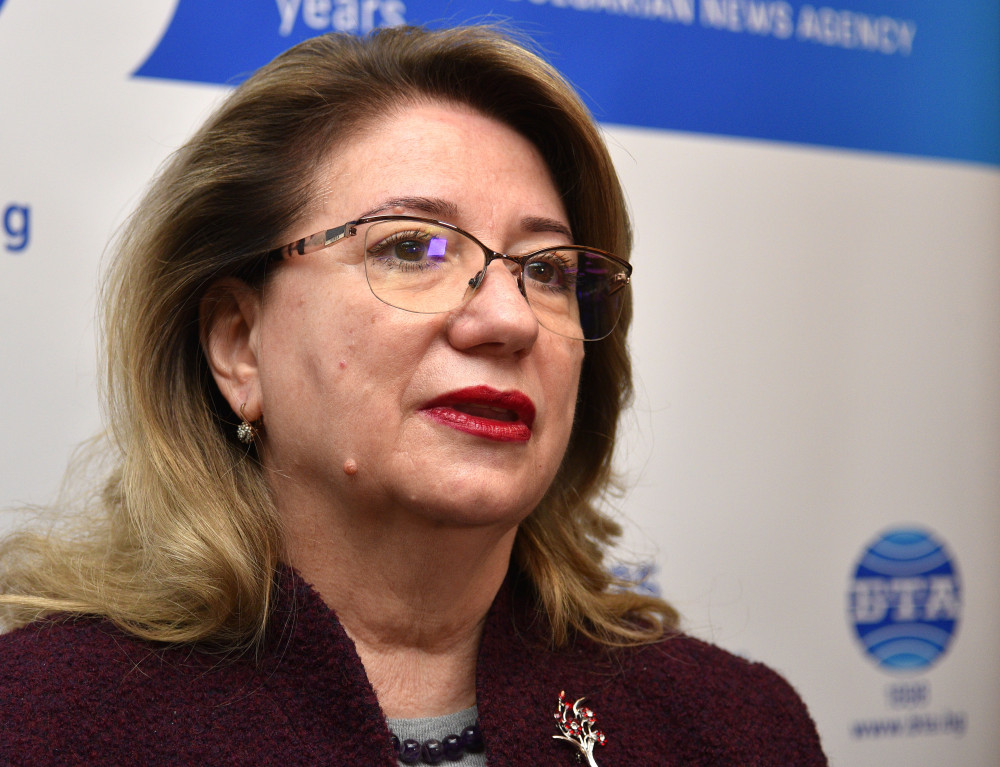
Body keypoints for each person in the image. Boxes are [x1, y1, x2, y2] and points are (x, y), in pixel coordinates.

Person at [0, 25, 827, 766]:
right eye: (413, 248)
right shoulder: (37, 723)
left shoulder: (736, 728)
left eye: (546, 270)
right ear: (239, 345)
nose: (509, 319)